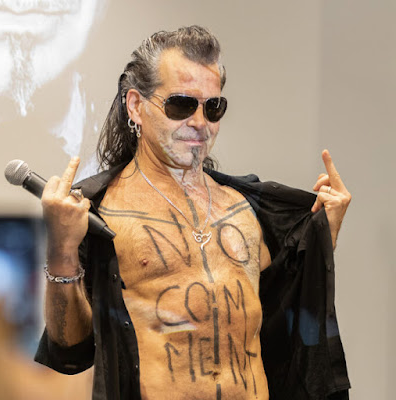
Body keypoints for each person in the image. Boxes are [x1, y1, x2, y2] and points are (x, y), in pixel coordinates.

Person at [35, 26, 352, 400]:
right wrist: (62, 249)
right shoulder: (102, 213)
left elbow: (290, 314)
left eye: (213, 107)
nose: (200, 123)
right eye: (181, 105)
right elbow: (69, 348)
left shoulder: (247, 210)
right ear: (135, 106)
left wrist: (322, 234)